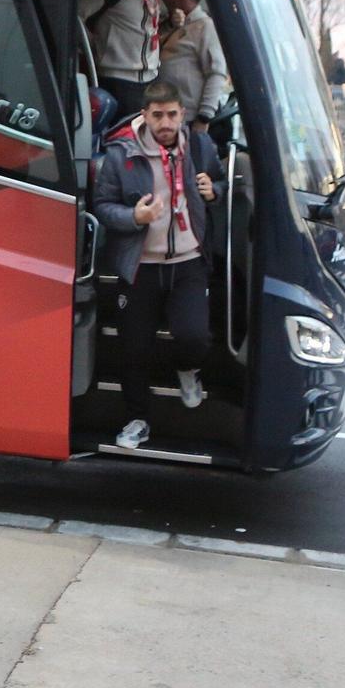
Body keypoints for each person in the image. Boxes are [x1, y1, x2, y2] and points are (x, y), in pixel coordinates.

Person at [92, 86, 226, 451]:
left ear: (182, 114)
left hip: (188, 262)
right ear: (145, 115)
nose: (165, 123)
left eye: (171, 115)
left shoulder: (199, 148)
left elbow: (221, 185)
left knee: (194, 336)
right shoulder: (122, 154)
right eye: (157, 115)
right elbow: (102, 206)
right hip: (140, 266)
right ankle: (137, 419)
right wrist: (134, 216)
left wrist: (213, 189)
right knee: (134, 349)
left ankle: (187, 370)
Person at [80, 0, 167, 115]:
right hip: (117, 78)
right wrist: (91, 46)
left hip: (149, 78)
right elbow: (75, 13)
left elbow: (146, 29)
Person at [156, 0, 230, 131]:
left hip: (187, 121)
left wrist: (204, 117)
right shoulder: (179, 24)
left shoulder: (205, 27)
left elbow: (216, 73)